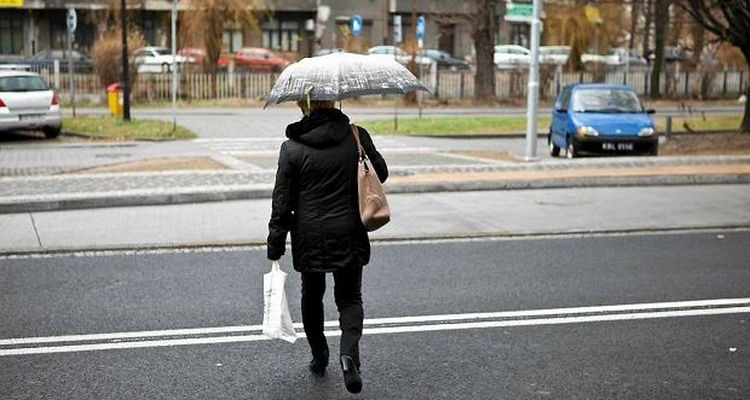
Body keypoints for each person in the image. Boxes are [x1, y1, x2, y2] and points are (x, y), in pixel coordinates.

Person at [266, 99, 388, 394]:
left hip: (309, 234)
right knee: (349, 298)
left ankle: (320, 356)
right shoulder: (357, 135)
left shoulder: (291, 148)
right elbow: (380, 173)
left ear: (303, 104)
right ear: (334, 101)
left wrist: (276, 241)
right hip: (350, 229)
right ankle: (349, 355)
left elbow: (282, 199)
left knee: (312, 295)